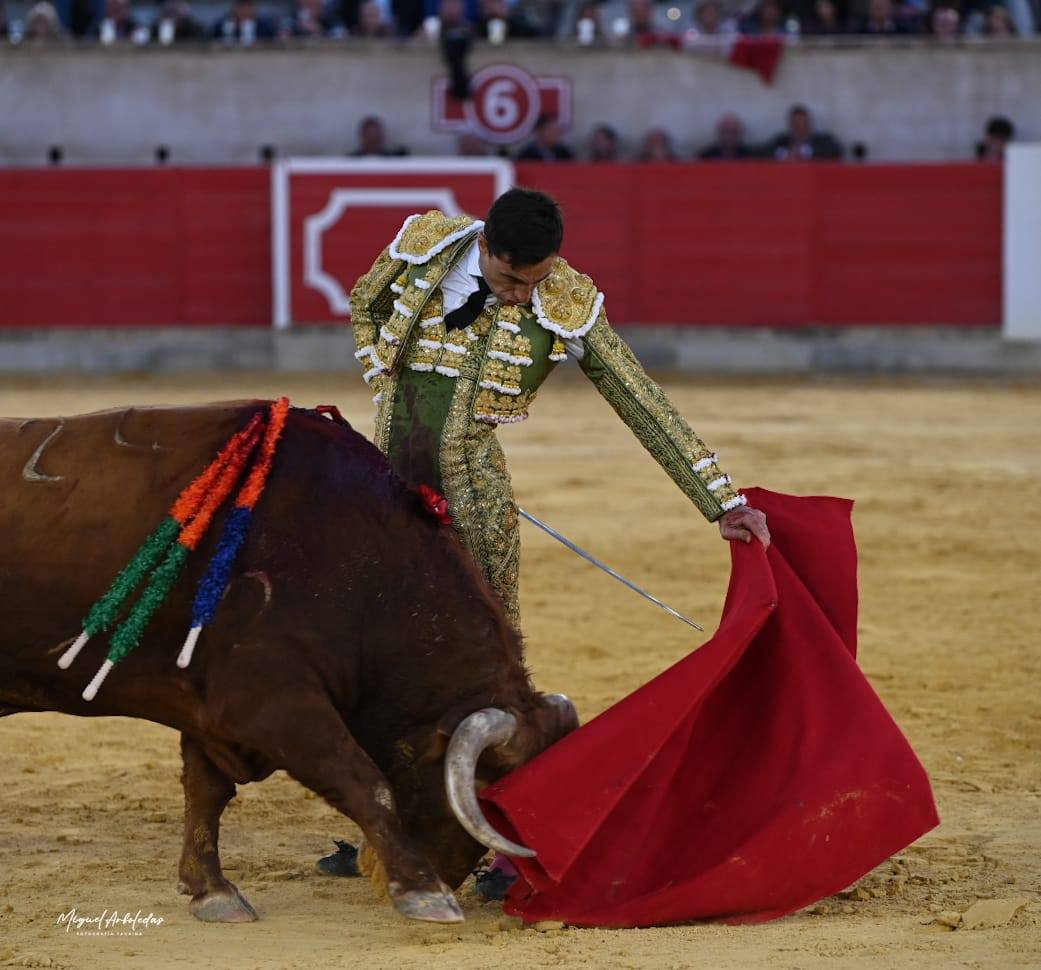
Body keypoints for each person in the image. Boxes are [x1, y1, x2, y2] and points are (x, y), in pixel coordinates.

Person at [317, 188, 770, 894]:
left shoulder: (564, 300)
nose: (525, 297)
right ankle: (377, 826)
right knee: (375, 654)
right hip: (383, 490)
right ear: (484, 246)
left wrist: (720, 500)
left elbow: (638, 398)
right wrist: (384, 366)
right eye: (510, 281)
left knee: (489, 669)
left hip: (473, 496)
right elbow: (367, 300)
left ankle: (505, 845)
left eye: (535, 281)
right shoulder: (426, 246)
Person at [765, 104, 844, 160]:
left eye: (802, 125)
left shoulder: (823, 140)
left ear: (809, 124)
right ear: (790, 125)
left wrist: (804, 152)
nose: (799, 129)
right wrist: (783, 154)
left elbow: (837, 150)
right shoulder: (781, 141)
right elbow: (760, 151)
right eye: (796, 125)